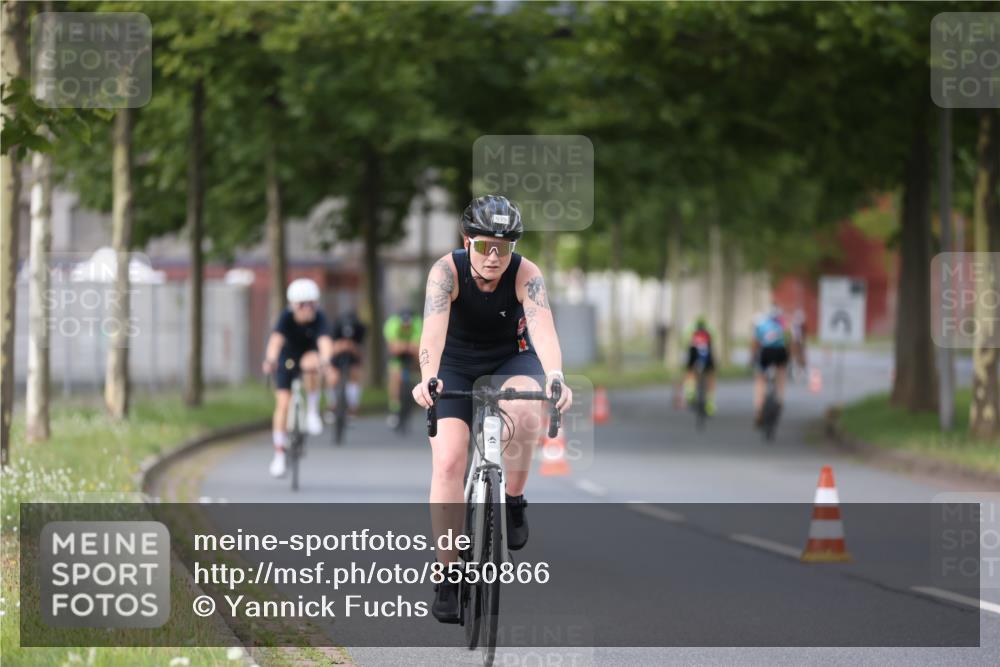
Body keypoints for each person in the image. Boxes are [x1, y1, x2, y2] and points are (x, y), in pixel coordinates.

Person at [411, 194, 573, 623]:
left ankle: (514, 498)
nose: (494, 256)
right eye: (485, 246)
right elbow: (431, 334)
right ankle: (448, 573)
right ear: (468, 242)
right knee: (448, 460)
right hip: (456, 364)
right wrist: (428, 376)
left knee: (524, 410)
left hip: (510, 359)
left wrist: (555, 375)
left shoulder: (527, 274)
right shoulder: (446, 272)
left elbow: (542, 328)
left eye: (505, 247)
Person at [261, 278, 336, 478]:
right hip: (288, 356)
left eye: (312, 304)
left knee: (313, 364)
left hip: (309, 354)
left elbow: (325, 342)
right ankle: (278, 454)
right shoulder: (285, 317)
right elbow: (275, 341)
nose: (308, 309)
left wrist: (327, 360)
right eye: (303, 305)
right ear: (294, 305)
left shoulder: (319, 318)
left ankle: (312, 411)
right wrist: (270, 360)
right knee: (283, 404)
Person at [384, 308, 423, 428]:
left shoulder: (418, 323)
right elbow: (393, 347)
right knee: (395, 375)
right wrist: (405, 346)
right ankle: (394, 408)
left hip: (413, 353)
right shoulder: (392, 324)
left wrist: (408, 347)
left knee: (422, 362)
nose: (406, 327)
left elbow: (418, 346)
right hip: (398, 356)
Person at [751, 306, 790, 426]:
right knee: (781, 374)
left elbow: (755, 343)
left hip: (766, 352)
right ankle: (780, 400)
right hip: (780, 351)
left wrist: (752, 357)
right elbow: (789, 342)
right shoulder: (783, 325)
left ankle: (759, 409)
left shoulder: (761, 325)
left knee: (760, 379)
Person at [326, 310, 367, 418]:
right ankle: (333, 405)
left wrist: (352, 347)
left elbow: (360, 351)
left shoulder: (359, 329)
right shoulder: (335, 328)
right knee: (333, 377)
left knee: (355, 375)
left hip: (353, 356)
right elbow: (330, 350)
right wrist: (340, 346)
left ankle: (353, 406)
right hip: (337, 357)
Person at [683, 315, 717, 415]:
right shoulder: (710, 329)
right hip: (706, 353)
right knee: (711, 375)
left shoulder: (689, 329)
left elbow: (685, 342)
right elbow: (713, 342)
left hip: (693, 351)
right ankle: (710, 402)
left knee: (690, 371)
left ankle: (690, 390)